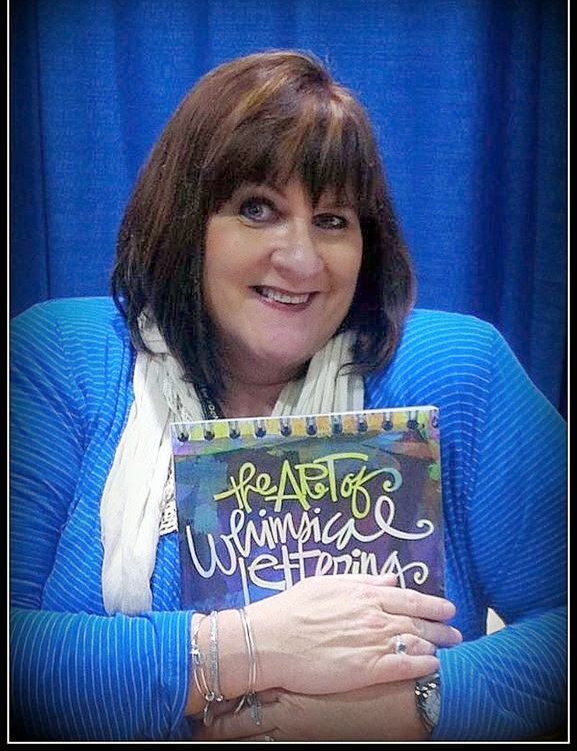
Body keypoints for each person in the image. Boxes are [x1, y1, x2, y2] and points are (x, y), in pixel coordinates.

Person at [10, 50, 566, 742]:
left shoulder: (458, 369)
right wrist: (249, 648)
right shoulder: (60, 355)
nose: (301, 260)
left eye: (333, 220)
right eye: (257, 209)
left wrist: (413, 706)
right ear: (183, 223)